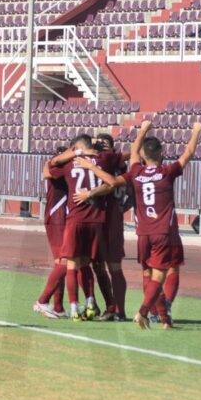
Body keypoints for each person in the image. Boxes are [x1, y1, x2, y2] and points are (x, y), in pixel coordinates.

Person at [76, 120, 201, 330]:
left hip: (143, 233)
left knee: (147, 273)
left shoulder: (136, 172)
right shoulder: (167, 172)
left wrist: (143, 128)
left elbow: (133, 152)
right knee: (164, 274)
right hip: (164, 232)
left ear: (143, 156)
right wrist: (196, 132)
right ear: (161, 153)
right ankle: (145, 312)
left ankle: (163, 318)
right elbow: (188, 153)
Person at [45, 135, 119, 322]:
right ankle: (65, 305)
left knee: (79, 264)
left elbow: (49, 167)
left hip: (82, 219)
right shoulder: (97, 161)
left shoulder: (98, 162)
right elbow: (49, 167)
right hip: (73, 218)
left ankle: (77, 305)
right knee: (81, 264)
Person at [72, 133, 130, 321]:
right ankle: (99, 304)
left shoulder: (116, 166)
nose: (101, 147)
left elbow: (114, 186)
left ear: (114, 149)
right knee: (93, 264)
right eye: (98, 144)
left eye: (106, 144)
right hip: (97, 220)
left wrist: (123, 208)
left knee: (114, 267)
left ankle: (118, 310)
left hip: (112, 223)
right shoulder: (100, 163)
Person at [34, 147, 70, 319]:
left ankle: (57, 306)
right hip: (57, 217)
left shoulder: (60, 168)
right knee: (63, 261)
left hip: (63, 217)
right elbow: (48, 173)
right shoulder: (60, 169)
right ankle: (44, 301)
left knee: (63, 262)